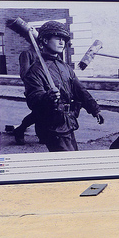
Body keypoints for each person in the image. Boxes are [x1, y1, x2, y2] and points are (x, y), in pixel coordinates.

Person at [22, 21, 104, 152]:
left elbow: (80, 90)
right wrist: (46, 97)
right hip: (51, 125)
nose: (62, 42)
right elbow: (33, 99)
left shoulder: (65, 67)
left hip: (68, 122)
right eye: (57, 38)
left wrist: (95, 109)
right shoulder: (36, 70)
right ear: (44, 40)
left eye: (64, 39)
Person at [12, 47, 39, 145]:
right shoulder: (27, 54)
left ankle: (41, 134)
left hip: (47, 89)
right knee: (39, 112)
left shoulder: (45, 54)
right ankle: (20, 130)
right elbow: (25, 74)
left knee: (43, 113)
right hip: (34, 90)